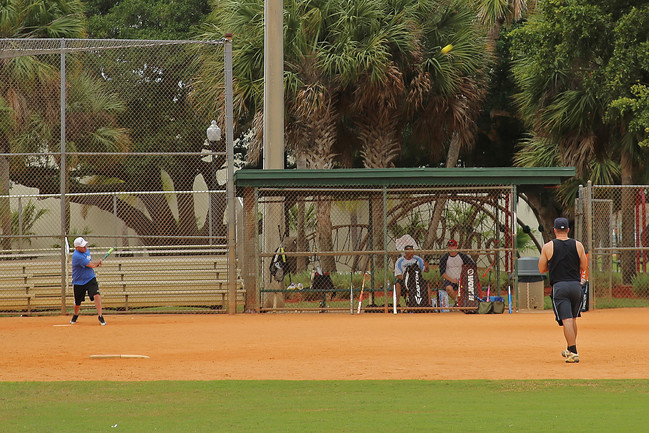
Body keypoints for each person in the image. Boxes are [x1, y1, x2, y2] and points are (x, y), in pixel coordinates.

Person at [538, 217, 588, 363]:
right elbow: (584, 266)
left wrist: (553, 266)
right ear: (567, 230)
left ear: (554, 230)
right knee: (572, 318)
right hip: (575, 286)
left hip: (560, 286)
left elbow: (541, 269)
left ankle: (573, 352)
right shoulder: (578, 245)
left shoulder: (548, 247)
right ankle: (570, 348)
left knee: (566, 319)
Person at [70, 237, 106, 325]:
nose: (85, 247)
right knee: (77, 302)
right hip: (79, 281)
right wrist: (98, 263)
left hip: (90, 278)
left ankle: (100, 316)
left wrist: (97, 263)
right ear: (77, 248)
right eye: (82, 246)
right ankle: (75, 315)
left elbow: (90, 262)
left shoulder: (86, 250)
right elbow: (91, 265)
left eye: (85, 245)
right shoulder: (77, 256)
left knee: (96, 294)